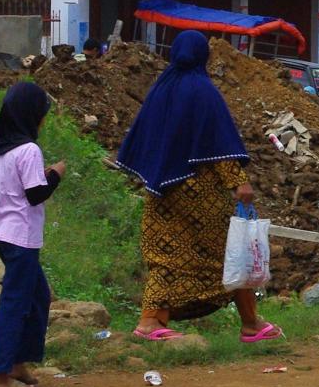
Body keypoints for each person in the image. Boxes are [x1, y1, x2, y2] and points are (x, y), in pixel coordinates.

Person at [115, 30, 280, 344]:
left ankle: (151, 321)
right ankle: (251, 323)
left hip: (161, 190)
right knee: (228, 252)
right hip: (199, 192)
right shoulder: (202, 90)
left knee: (165, 255)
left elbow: (145, 139)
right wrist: (238, 181)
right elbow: (216, 140)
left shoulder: (161, 88)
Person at [0, 82, 63, 387]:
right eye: (42, 114)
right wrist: (55, 173)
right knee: (16, 301)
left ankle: (17, 362)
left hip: (2, 233)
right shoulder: (29, 150)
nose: (43, 120)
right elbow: (36, 194)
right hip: (21, 238)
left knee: (38, 295)